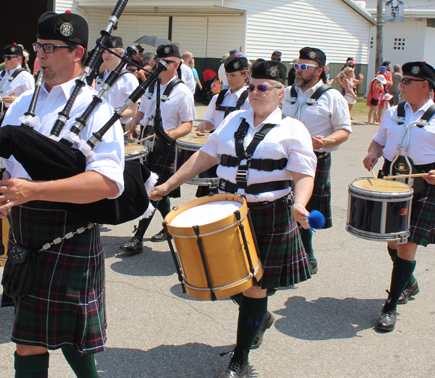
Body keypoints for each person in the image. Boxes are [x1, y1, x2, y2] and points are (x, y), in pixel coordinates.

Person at [150, 59, 316, 378]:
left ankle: (239, 357)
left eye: (262, 87)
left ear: (280, 93)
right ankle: (259, 316)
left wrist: (301, 204)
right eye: (251, 86)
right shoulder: (233, 121)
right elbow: (205, 155)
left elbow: (304, 174)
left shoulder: (293, 129)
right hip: (226, 209)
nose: (254, 92)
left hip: (268, 213)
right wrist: (170, 184)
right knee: (224, 278)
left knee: (254, 287)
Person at [0, 11, 125, 377]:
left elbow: (107, 184)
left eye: (49, 48)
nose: (39, 55)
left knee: (70, 337)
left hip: (69, 230)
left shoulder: (95, 107)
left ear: (77, 53)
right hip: (26, 232)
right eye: (37, 46)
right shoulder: (22, 103)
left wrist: (35, 189)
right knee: (29, 339)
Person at [363, 61, 435, 333]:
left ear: (424, 86)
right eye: (402, 80)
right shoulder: (393, 112)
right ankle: (409, 281)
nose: (400, 84)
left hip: (422, 187)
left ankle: (390, 306)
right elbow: (379, 141)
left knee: (406, 247)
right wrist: (373, 153)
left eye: (406, 81)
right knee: (393, 244)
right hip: (390, 186)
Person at [121, 44, 197, 254]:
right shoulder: (151, 86)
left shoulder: (182, 91)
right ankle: (170, 225)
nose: (162, 66)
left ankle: (138, 238)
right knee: (157, 189)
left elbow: (187, 125)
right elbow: (142, 112)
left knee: (152, 191)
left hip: (166, 146)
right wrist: (133, 123)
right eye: (160, 62)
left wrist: (169, 135)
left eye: (168, 62)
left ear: (177, 64)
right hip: (147, 143)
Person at [282, 47, 352, 274]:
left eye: (304, 67)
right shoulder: (285, 92)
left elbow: (344, 130)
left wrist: (327, 141)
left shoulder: (332, 97)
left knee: (304, 210)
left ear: (319, 70)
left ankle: (307, 255)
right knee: (282, 207)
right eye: (296, 66)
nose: (298, 71)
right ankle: (290, 253)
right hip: (282, 158)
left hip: (315, 159)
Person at [196, 55, 251, 133]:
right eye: (227, 75)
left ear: (245, 75)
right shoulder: (217, 98)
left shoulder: (250, 100)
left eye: (233, 75)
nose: (229, 79)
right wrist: (204, 125)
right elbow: (211, 122)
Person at [95, 35, 139, 128]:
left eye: (110, 52)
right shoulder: (101, 76)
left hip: (118, 124)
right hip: (99, 123)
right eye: (104, 52)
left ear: (121, 54)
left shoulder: (129, 78)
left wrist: (111, 115)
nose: (106, 55)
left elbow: (133, 110)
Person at [0, 43, 35, 118]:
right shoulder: (3, 73)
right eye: (5, 57)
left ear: (18, 59)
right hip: (0, 112)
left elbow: (31, 99)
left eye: (9, 58)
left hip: (16, 113)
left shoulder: (26, 76)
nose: (5, 60)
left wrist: (13, 99)